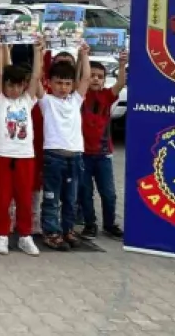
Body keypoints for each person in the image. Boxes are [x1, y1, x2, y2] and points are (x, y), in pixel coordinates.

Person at [0, 38, 45, 256]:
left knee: (24, 198)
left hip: (25, 156)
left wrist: (37, 50)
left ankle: (25, 236)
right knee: (3, 198)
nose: (14, 89)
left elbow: (36, 76)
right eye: (10, 85)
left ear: (23, 86)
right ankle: (1, 235)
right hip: (3, 155)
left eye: (18, 85)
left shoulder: (27, 100)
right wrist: (2, 47)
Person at [37, 44, 91, 251]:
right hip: (53, 157)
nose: (63, 87)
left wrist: (84, 55)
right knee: (51, 197)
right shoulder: (46, 101)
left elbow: (85, 79)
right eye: (58, 83)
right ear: (49, 83)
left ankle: (67, 230)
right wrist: (39, 52)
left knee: (71, 198)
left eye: (67, 83)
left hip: (75, 157)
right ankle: (51, 232)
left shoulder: (75, 100)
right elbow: (35, 80)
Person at [78, 51, 127, 240]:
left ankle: (109, 223)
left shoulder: (107, 96)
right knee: (85, 192)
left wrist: (122, 65)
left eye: (100, 77)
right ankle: (90, 224)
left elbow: (121, 83)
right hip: (82, 154)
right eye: (92, 76)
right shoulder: (79, 96)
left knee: (109, 193)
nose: (96, 79)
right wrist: (82, 55)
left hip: (103, 153)